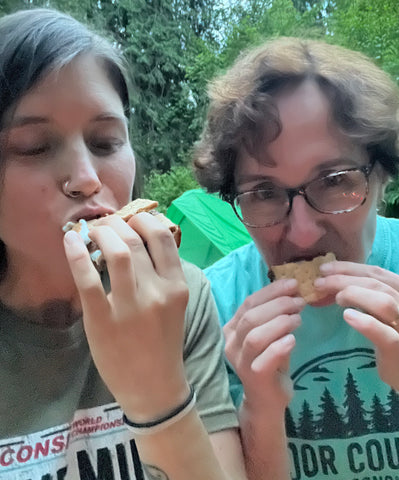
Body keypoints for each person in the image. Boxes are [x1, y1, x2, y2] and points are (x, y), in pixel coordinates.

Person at [0, 8, 249, 480]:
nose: (86, 180)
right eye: (33, 147)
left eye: (106, 141)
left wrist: (158, 395)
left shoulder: (180, 297)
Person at [193, 36, 399, 479]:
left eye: (335, 180)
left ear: (382, 177)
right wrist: (259, 408)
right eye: (263, 192)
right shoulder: (212, 307)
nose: (302, 233)